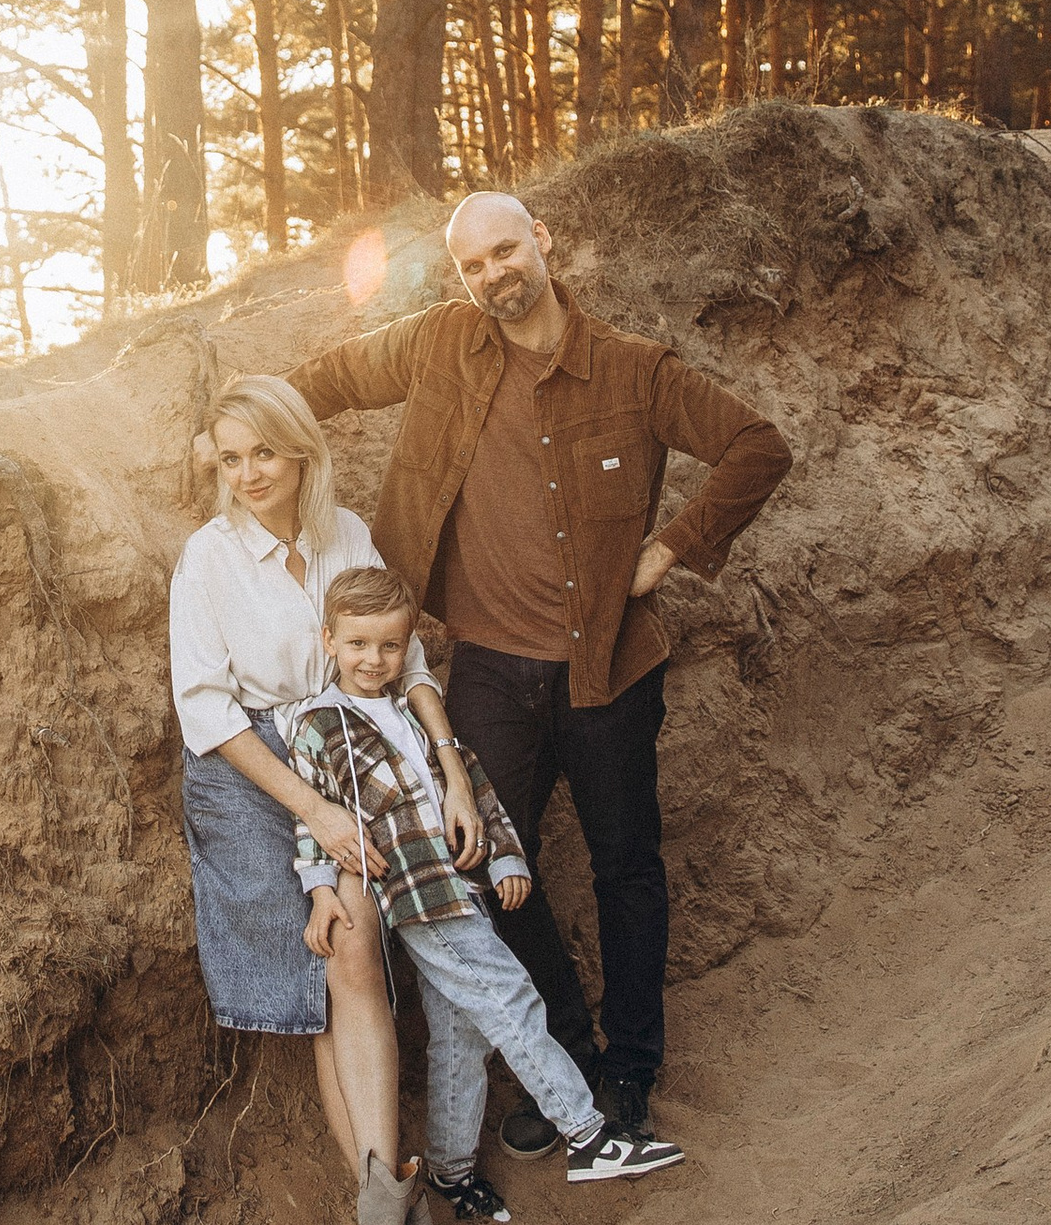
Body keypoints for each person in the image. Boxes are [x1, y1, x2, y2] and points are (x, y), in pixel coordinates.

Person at [288, 193, 791, 1157]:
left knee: (625, 868)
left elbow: (756, 447)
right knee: (480, 862)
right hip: (487, 669)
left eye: (505, 251)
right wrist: (240, 423)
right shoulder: (440, 342)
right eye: (472, 265)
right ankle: (567, 1055)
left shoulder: (636, 371)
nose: (493, 276)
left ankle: (630, 1073)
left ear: (543, 242)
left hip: (608, 671)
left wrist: (667, 550)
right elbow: (336, 377)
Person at [167, 375, 480, 1225]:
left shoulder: (345, 533)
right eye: (230, 458)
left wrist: (452, 769)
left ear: (301, 450)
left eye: (264, 451)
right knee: (328, 957)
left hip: (350, 748)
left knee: (358, 950)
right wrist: (314, 809)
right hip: (251, 775)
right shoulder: (209, 558)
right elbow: (206, 710)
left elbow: (405, 659)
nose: (248, 474)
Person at [288, 570, 678, 1225]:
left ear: (408, 647)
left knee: (461, 1033)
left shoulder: (414, 712)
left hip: (461, 880)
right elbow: (310, 821)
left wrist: (503, 857)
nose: (374, 659)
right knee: (510, 997)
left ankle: (452, 1171)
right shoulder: (319, 725)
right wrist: (318, 894)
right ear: (330, 641)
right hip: (417, 896)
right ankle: (587, 1132)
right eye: (359, 645)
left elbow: (471, 782)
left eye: (390, 646)